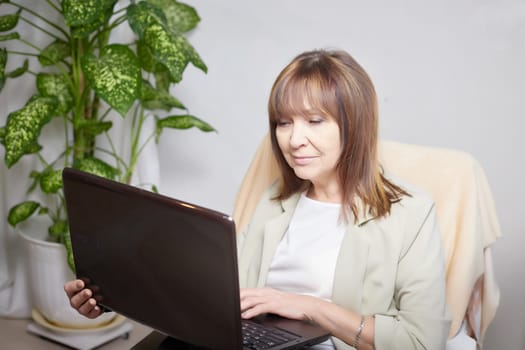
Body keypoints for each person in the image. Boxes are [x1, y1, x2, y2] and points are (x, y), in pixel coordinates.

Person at [65, 49, 451, 349]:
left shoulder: (411, 213)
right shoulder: (276, 200)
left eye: (315, 121)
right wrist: (113, 295)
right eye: (284, 122)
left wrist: (310, 306)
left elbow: (422, 341)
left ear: (355, 126)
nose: (294, 139)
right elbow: (227, 298)